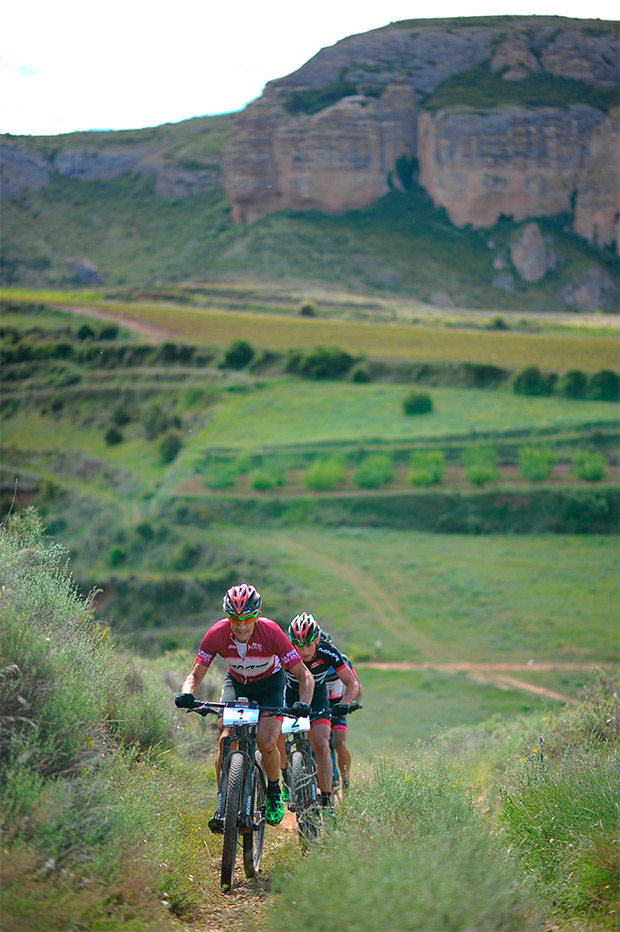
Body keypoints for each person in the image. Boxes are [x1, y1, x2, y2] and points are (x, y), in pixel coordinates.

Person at [175, 584, 314, 830]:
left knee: (266, 740)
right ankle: (224, 803)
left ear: (257, 616)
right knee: (225, 738)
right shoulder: (216, 634)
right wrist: (187, 694)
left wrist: (304, 702)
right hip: (237, 684)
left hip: (270, 685)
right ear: (227, 616)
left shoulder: (271, 632)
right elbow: (195, 675)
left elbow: (304, 675)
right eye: (234, 618)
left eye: (248, 618)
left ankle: (273, 792)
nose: (241, 625)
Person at [280, 612, 357, 814]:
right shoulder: (284, 651)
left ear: (317, 640)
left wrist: (346, 703)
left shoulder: (328, 651)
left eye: (308, 645)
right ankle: (285, 777)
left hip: (318, 698)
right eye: (298, 645)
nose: (303, 651)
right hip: (290, 696)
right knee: (276, 736)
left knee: (322, 744)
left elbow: (352, 682)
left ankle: (326, 797)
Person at [323, 635, 362, 791]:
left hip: (338, 704)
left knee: (339, 743)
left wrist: (353, 703)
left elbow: (356, 684)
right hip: (319, 705)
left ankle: (346, 781)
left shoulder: (342, 659)